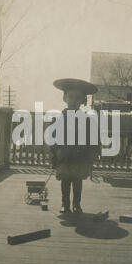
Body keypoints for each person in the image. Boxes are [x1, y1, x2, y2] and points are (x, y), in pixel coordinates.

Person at [51, 78, 99, 214]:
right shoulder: (58, 118)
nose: (73, 100)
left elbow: (93, 138)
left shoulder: (87, 120)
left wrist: (93, 152)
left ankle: (77, 204)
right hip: (64, 155)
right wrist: (56, 151)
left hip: (80, 155)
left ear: (83, 101)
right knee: (65, 180)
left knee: (77, 180)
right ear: (64, 98)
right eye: (70, 97)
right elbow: (52, 137)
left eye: (78, 98)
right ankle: (65, 204)